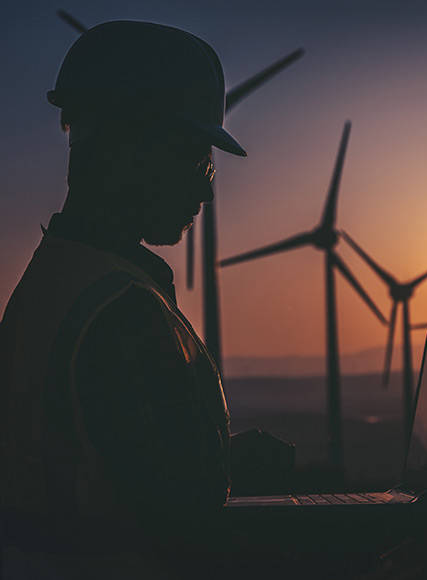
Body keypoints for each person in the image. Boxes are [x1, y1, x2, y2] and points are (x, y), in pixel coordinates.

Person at [0, 20, 295, 579]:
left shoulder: (47, 286)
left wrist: (222, 460)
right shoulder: (123, 313)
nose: (207, 190)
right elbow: (194, 543)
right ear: (127, 146)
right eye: (197, 160)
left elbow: (107, 477)